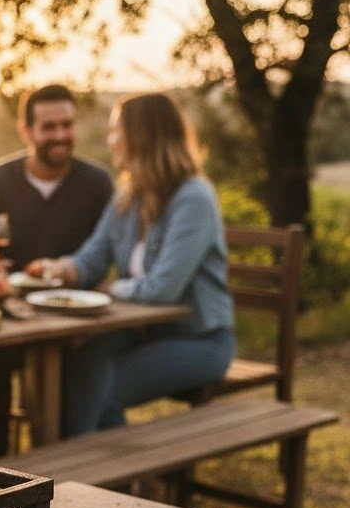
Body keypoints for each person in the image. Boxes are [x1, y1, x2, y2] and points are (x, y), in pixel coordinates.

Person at [27, 92, 235, 437]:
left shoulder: (193, 198)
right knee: (77, 365)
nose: (110, 141)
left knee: (99, 392)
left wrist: (111, 289)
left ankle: (117, 481)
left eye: (114, 131)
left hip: (201, 340)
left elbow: (163, 289)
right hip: (142, 333)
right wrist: (60, 268)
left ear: (139, 137)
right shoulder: (128, 195)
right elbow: (91, 258)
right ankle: (79, 471)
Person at [0, 84, 114, 456]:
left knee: (76, 370)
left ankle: (65, 464)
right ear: (27, 131)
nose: (60, 136)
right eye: (49, 127)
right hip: (9, 318)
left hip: (72, 321)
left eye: (67, 125)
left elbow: (107, 257)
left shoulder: (97, 183)